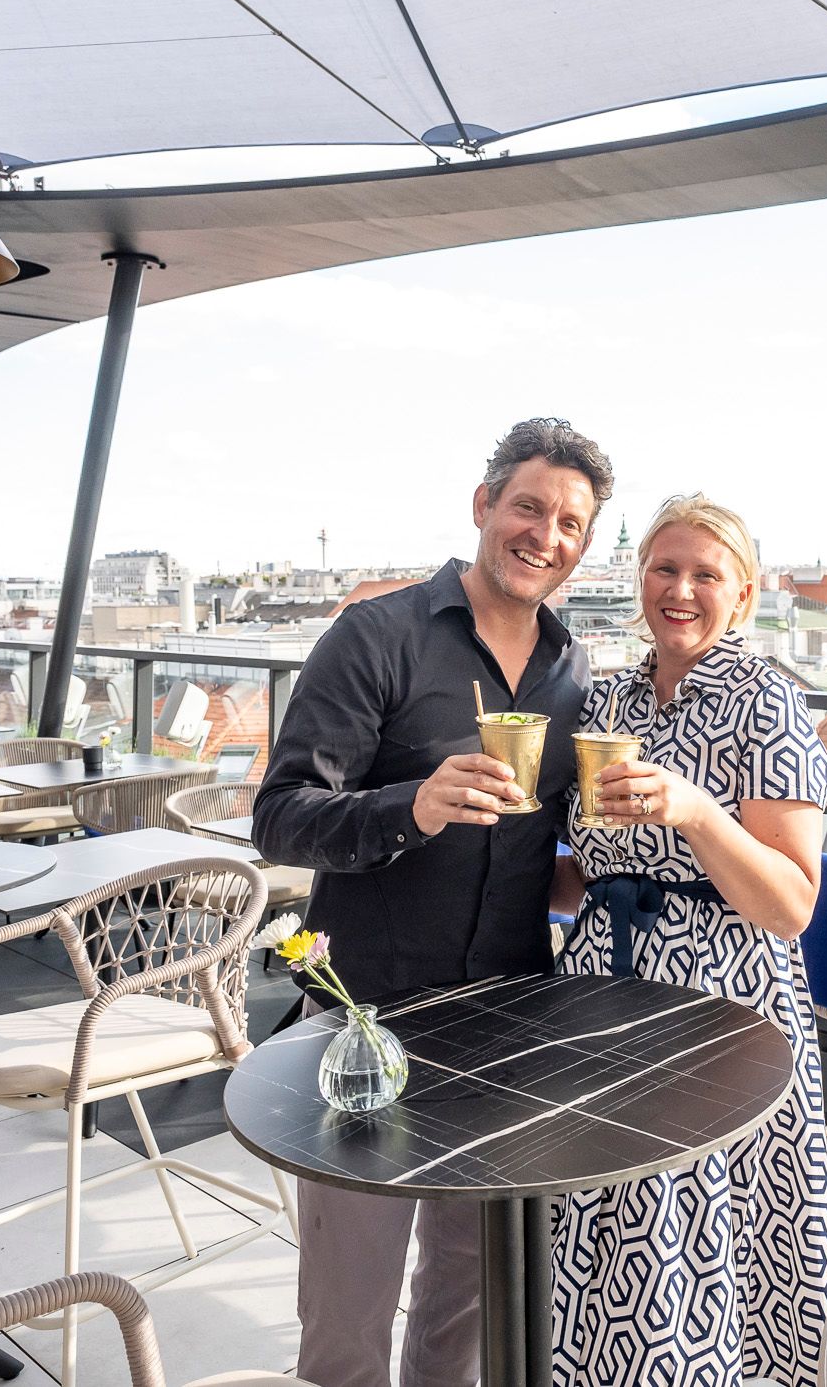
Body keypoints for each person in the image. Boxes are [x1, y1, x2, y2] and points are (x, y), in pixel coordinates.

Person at [252, 419, 613, 1387]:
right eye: (529, 506)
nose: (546, 534)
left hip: (506, 1027)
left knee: (463, 1308)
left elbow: (552, 845)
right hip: (368, 1023)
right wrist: (408, 807)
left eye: (570, 522)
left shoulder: (572, 672)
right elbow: (279, 819)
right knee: (348, 1320)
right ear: (483, 505)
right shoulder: (377, 636)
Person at [549, 494, 827, 1387]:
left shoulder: (769, 702)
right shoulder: (608, 697)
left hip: (719, 1006)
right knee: (600, 1216)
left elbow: (791, 904)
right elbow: (587, 874)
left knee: (688, 1229)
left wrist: (696, 811)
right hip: (603, 989)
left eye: (704, 574)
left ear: (742, 595)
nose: (680, 589)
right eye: (663, 569)